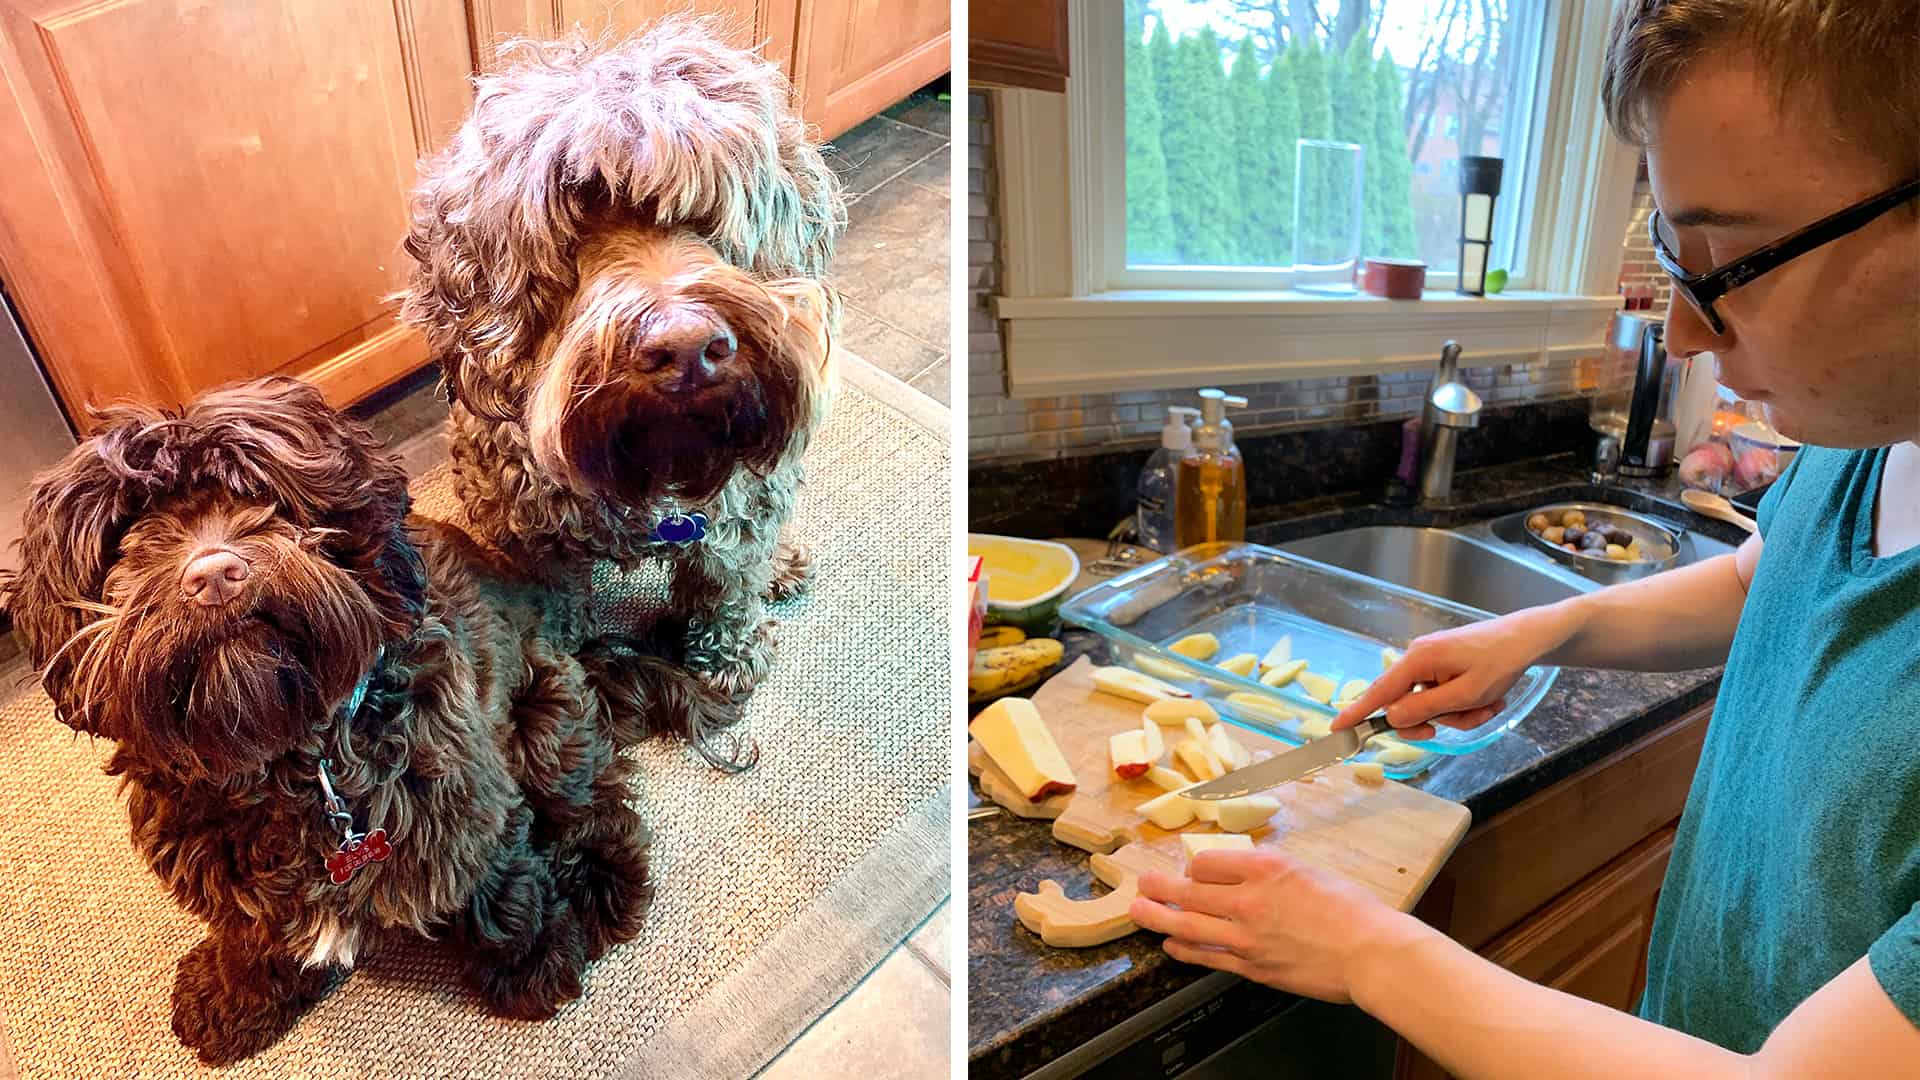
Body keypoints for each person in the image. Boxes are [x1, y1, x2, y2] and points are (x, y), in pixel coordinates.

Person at [1128, 1, 1920, 1074]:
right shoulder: (1871, 428)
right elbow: (1760, 584)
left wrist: (1368, 954)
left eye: (1732, 260)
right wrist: (1538, 632)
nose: (1683, 333)